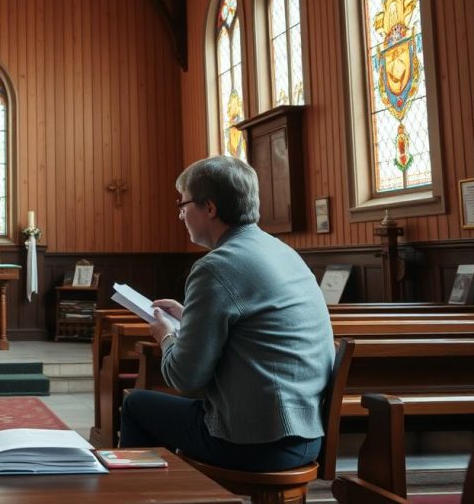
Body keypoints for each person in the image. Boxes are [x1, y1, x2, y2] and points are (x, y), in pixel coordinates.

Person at [119, 156, 334, 472]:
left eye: (183, 205)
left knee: (136, 404)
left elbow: (184, 377)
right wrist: (189, 316)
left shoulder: (215, 266)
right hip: (306, 435)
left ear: (209, 208)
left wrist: (165, 334)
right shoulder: (280, 250)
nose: (181, 215)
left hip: (257, 441)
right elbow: (249, 326)